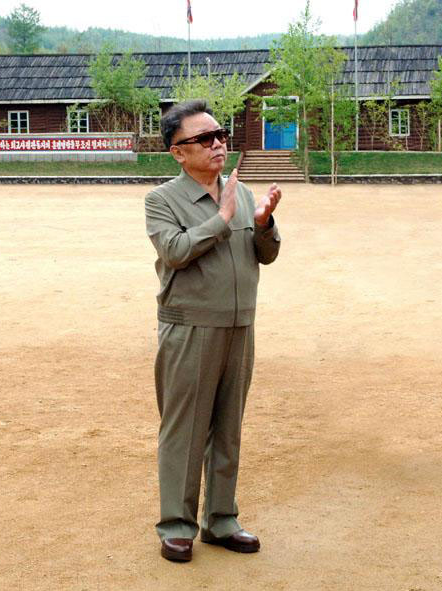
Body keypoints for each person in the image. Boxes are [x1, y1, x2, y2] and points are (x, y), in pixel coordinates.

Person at [144, 100, 282, 562]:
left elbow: (264, 256)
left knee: (227, 429)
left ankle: (221, 520)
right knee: (184, 430)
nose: (218, 143)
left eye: (221, 134)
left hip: (239, 325)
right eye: (204, 138)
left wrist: (263, 224)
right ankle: (176, 526)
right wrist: (221, 218)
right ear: (178, 152)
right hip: (191, 328)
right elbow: (175, 251)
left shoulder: (240, 192)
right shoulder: (162, 200)